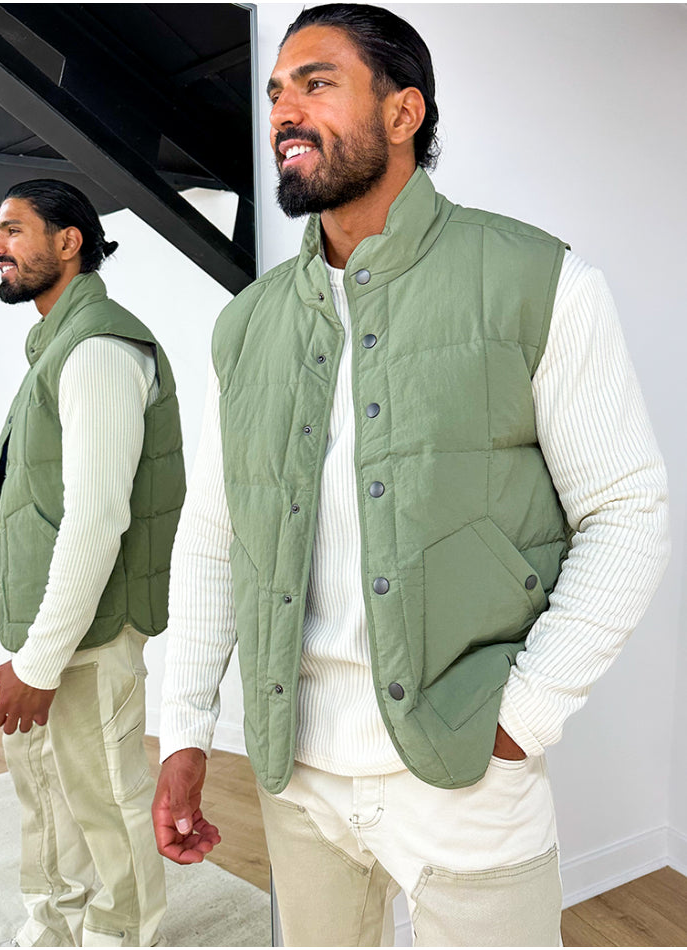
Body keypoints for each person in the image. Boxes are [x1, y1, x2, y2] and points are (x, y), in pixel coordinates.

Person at [152, 4, 669, 946]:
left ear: (404, 112)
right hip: (297, 772)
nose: (284, 111)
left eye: (317, 83)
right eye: (275, 93)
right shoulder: (247, 325)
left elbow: (627, 510)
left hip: (468, 771)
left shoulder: (538, 279)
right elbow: (214, 536)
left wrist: (523, 718)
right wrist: (183, 728)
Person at [0, 179, 186, 948]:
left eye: (13, 230)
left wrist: (40, 663)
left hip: (91, 636)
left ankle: (119, 935)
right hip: (52, 630)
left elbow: (98, 519)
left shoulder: (99, 349)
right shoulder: (61, 344)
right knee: (44, 789)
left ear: (70, 242)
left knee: (104, 799)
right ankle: (53, 925)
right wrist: (34, 652)